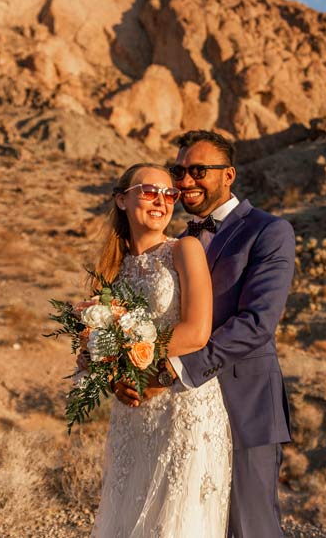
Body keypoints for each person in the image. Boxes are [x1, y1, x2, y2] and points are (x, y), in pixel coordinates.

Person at [115, 131, 296, 538]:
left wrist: (167, 373)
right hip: (177, 415)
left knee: (250, 528)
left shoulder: (269, 231)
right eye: (180, 171)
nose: (185, 181)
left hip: (243, 404)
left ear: (228, 175)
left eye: (199, 170)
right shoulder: (175, 241)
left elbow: (257, 323)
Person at [89, 162, 232, 538]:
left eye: (169, 194)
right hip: (133, 411)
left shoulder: (184, 249)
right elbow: (95, 338)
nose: (162, 201)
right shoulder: (111, 269)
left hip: (182, 405)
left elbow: (197, 330)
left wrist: (133, 356)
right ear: (122, 199)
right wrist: (109, 371)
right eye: (149, 191)